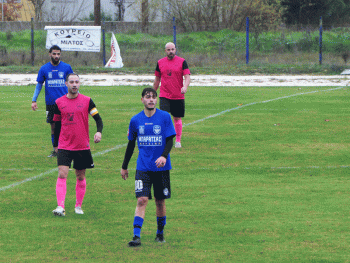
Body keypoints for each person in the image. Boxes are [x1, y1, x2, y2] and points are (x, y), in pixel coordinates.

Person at [121, 87, 176, 247]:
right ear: (142, 100)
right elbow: (131, 144)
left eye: (153, 97)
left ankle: (160, 233)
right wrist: (124, 166)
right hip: (143, 167)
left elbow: (170, 140)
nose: (151, 99)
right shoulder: (135, 120)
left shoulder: (165, 117)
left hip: (161, 168)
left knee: (160, 201)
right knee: (141, 200)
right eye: (147, 97)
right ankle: (136, 236)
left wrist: (164, 156)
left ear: (156, 99)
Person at [52, 73, 103, 217]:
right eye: (71, 82)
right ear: (66, 84)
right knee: (62, 174)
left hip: (82, 145)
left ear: (79, 84)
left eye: (77, 82)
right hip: (64, 145)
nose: (74, 84)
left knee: (80, 176)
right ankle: (60, 206)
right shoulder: (59, 102)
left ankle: (78, 206)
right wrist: (55, 144)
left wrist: (99, 132)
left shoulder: (87, 101)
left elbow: (98, 119)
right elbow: (56, 125)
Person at [31, 45, 74, 157]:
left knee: (67, 126)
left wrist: (76, 97)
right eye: (54, 54)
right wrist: (34, 100)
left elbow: (73, 83)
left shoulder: (66, 67)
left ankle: (67, 149)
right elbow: (39, 85)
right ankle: (56, 151)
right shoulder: (44, 69)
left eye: (58, 54)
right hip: (51, 103)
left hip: (65, 103)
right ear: (50, 54)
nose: (56, 56)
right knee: (54, 127)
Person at [153, 42, 191, 148]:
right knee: (163, 117)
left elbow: (187, 77)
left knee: (177, 118)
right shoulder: (160, 62)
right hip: (164, 95)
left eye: (172, 49)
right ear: (165, 51)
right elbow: (157, 79)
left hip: (178, 95)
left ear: (175, 50)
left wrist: (185, 87)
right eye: (168, 50)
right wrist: (152, 92)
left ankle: (178, 140)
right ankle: (165, 139)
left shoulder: (182, 61)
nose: (171, 51)